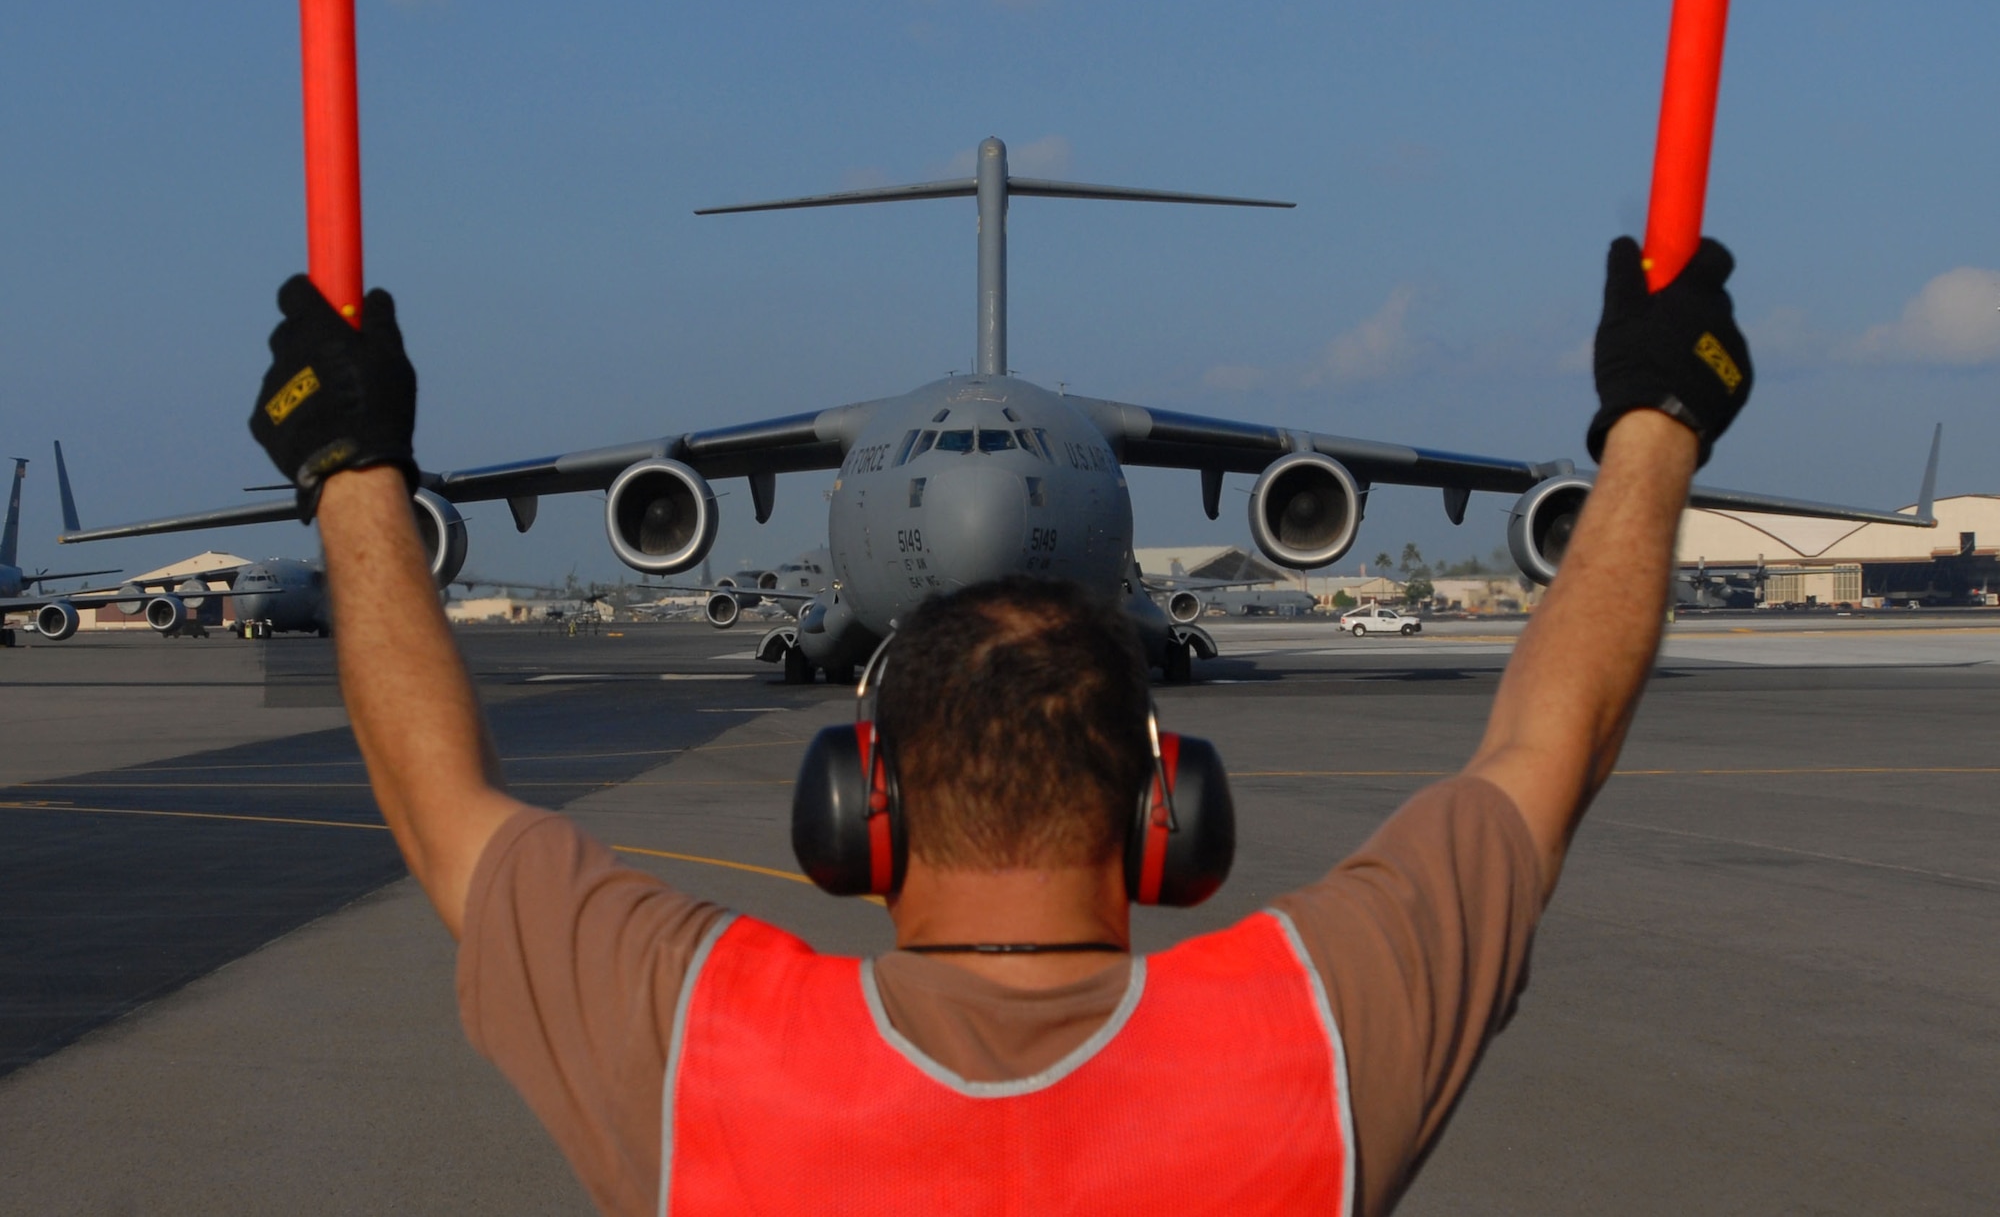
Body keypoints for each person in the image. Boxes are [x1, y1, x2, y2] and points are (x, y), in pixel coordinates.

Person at [247, 236, 1752, 1215]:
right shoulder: (1311, 1051)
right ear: (1169, 809)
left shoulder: (709, 1060)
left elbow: (441, 800)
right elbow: (1544, 751)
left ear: (858, 809)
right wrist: (1655, 426)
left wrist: (353, 470)